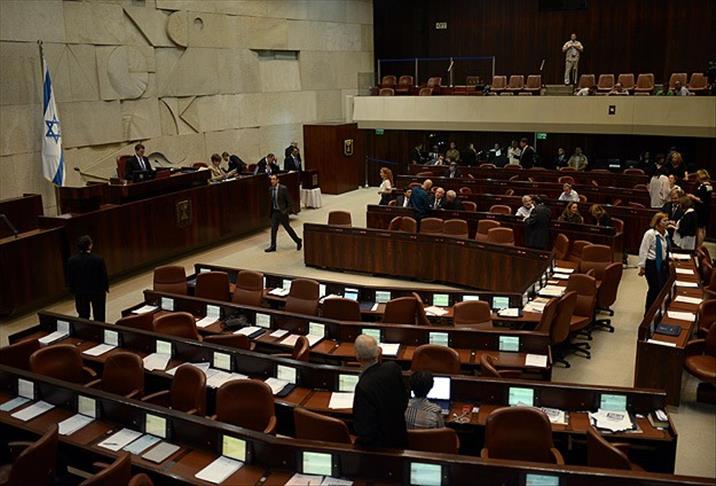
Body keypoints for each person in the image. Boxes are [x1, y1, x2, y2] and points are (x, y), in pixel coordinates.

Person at [352, 334, 408, 448]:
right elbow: (404, 400)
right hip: (400, 437)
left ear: (357, 357)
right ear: (378, 351)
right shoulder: (393, 368)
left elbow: (364, 430)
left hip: (378, 449)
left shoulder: (363, 387)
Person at [67, 235, 109, 322]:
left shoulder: (72, 260)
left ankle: (85, 329)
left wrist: (73, 290)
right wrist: (106, 288)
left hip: (80, 292)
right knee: (99, 314)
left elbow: (71, 277)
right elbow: (103, 276)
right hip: (97, 291)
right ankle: (100, 329)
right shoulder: (98, 259)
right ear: (90, 245)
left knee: (83, 315)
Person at [638, 213, 670, 312]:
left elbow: (665, 249)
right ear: (657, 223)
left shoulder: (666, 233)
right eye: (664, 221)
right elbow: (643, 250)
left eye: (667, 220)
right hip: (651, 264)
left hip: (662, 264)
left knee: (661, 288)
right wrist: (642, 266)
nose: (667, 222)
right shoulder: (650, 234)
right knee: (654, 288)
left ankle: (658, 310)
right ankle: (649, 313)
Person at [265, 174, 301, 252]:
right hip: (275, 212)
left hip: (282, 212)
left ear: (278, 180)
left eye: (274, 179)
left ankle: (298, 240)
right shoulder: (270, 189)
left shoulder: (283, 189)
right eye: (271, 179)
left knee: (288, 228)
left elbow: (290, 202)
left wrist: (286, 211)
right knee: (273, 229)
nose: (272, 181)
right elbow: (271, 202)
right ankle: (273, 246)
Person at [690, 169, 712, 247]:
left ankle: (699, 246)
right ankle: (700, 245)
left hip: (701, 209)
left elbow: (702, 200)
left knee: (700, 228)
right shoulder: (708, 185)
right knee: (702, 228)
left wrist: (692, 197)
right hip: (705, 209)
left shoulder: (704, 187)